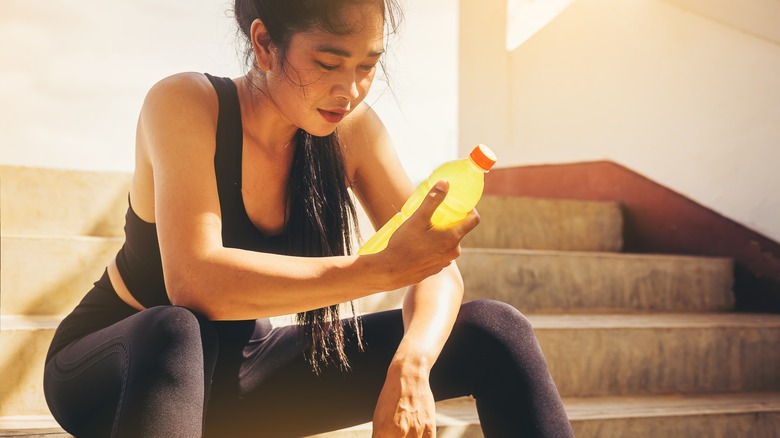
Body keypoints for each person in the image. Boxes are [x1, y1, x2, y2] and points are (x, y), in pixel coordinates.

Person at [43, 0, 574, 436]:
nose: (351, 90)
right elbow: (195, 282)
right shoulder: (186, 103)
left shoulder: (353, 133)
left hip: (244, 375)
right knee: (180, 330)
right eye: (328, 63)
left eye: (367, 65)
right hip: (121, 370)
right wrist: (380, 271)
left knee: (494, 330)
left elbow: (438, 269)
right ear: (265, 44)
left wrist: (412, 363)